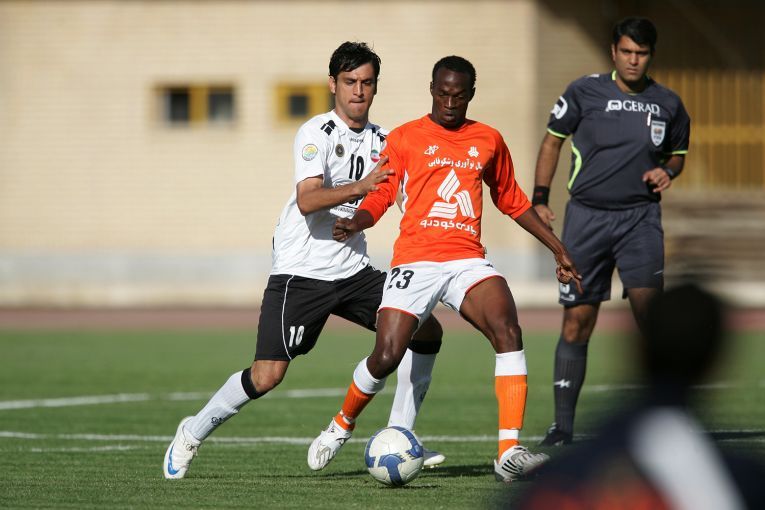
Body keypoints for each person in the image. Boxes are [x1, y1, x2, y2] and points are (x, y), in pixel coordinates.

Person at [163, 41, 445, 480]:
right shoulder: (316, 132)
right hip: (301, 273)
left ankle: (400, 435)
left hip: (354, 270)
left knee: (425, 332)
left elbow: (406, 198)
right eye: (350, 82)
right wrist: (360, 187)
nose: (358, 91)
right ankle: (192, 432)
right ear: (333, 84)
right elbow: (308, 199)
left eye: (367, 83)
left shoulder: (386, 141)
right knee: (267, 376)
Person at [307, 55, 582, 482]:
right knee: (386, 355)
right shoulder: (404, 138)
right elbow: (382, 194)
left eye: (459, 96)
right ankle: (341, 423)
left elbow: (512, 199)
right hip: (415, 260)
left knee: (508, 329)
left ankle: (508, 451)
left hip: (466, 258)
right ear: (432, 90)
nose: (450, 103)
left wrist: (557, 249)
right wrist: (358, 220)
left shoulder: (488, 139)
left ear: (471, 94)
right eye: (443, 94)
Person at [533, 17, 691, 446]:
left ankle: (666, 421)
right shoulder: (583, 92)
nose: (633, 60)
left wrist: (668, 171)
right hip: (586, 219)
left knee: (651, 320)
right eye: (626, 52)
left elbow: (677, 154)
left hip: (641, 220)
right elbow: (552, 141)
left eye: (641, 53)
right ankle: (562, 427)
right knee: (577, 322)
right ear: (613, 52)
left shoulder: (669, 103)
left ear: (651, 55)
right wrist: (540, 197)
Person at [517, 284, 765, 509]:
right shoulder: (742, 482)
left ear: (637, 347)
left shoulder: (558, 479)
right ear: (716, 362)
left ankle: (561, 428)